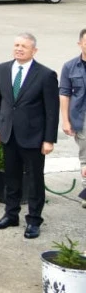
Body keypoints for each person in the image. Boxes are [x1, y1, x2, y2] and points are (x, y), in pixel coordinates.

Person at [0, 32, 59, 239]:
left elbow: (52, 111)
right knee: (11, 177)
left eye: (24, 46)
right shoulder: (2, 69)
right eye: (16, 45)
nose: (19, 49)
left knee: (35, 180)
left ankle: (34, 220)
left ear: (34, 51)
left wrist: (49, 139)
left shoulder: (45, 75)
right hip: (8, 133)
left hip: (34, 137)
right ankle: (11, 215)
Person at [59, 28, 86, 195]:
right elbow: (64, 94)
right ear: (80, 44)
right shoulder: (70, 67)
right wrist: (66, 120)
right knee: (85, 156)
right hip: (81, 117)